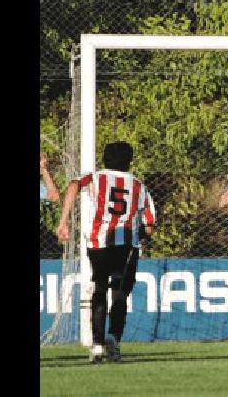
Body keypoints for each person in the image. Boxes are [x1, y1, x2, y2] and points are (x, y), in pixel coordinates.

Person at [55, 142, 156, 363]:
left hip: (98, 243)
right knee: (120, 292)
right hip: (127, 244)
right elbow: (149, 223)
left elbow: (73, 186)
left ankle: (98, 346)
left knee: (99, 288)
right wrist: (142, 236)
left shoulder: (95, 177)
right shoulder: (139, 185)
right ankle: (114, 339)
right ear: (129, 161)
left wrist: (64, 222)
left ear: (105, 158)